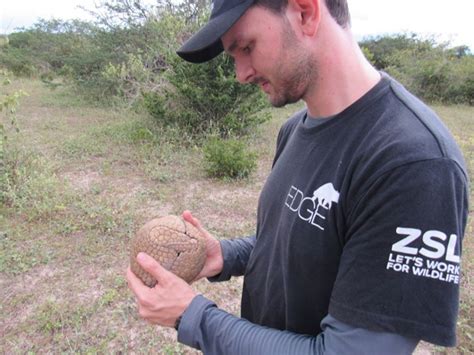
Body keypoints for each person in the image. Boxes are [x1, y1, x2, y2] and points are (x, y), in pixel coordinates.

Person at [126, 0, 469, 353]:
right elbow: (299, 241)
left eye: (246, 47)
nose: (241, 73)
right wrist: (225, 255)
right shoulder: (295, 130)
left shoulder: (414, 164)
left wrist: (192, 316)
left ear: (305, 12)